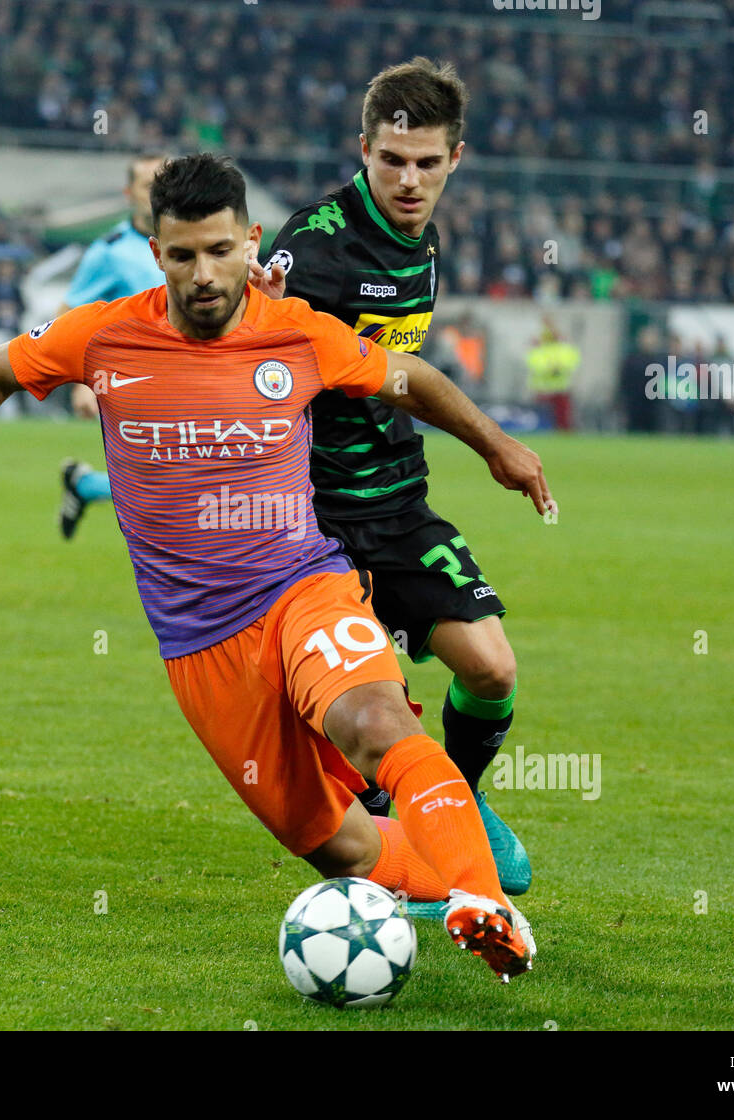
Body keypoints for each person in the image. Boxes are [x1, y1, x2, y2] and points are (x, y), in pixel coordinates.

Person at [0, 154, 553, 982]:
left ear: (250, 241)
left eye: (220, 251)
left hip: (304, 588)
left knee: (375, 726)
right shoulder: (105, 335)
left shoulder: (299, 334)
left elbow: (412, 379)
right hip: (201, 645)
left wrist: (498, 446)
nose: (204, 274)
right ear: (157, 254)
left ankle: (480, 898)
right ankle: (453, 853)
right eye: (183, 255)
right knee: (347, 849)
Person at [256, 58, 540, 895]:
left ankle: (459, 801)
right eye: (391, 160)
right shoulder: (314, 250)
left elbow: (395, 374)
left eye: (426, 162)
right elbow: (258, 366)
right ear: (364, 150)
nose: (408, 180)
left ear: (456, 159)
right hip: (316, 524)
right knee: (372, 716)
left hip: (400, 503)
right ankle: (403, 865)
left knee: (491, 668)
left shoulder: (424, 238)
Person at [56, 153, 166, 537]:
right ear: (129, 193)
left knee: (169, 486)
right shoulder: (110, 251)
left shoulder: (188, 241)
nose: (158, 194)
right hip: (134, 385)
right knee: (172, 485)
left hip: (192, 377)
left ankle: (83, 485)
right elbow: (69, 317)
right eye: (149, 186)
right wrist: (79, 382)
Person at [526, 319, 581, 432]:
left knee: (562, 420)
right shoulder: (540, 349)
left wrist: (555, 368)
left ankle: (563, 435)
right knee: (543, 420)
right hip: (544, 390)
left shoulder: (563, 348)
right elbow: (535, 364)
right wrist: (553, 369)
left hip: (559, 389)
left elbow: (572, 362)